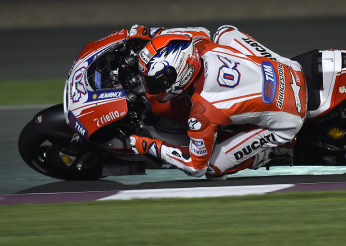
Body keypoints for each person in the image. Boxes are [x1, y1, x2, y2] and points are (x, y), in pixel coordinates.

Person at [128, 24, 307, 180]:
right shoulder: (200, 45)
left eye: (155, 82)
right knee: (224, 32)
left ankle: (271, 152)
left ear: (181, 74)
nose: (148, 89)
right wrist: (151, 33)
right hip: (289, 69)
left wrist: (147, 145)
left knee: (213, 168)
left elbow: (195, 167)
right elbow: (197, 31)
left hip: (289, 116)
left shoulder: (202, 112)